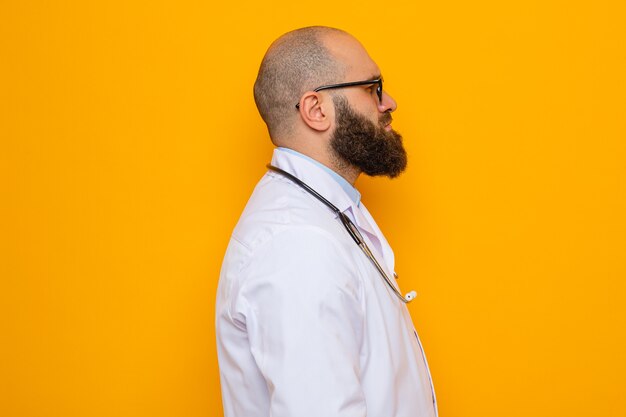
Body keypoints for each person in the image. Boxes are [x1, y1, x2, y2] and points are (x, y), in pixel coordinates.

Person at [216, 26, 437, 417]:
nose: (390, 102)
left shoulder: (320, 215)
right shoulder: (295, 245)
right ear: (316, 110)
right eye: (373, 87)